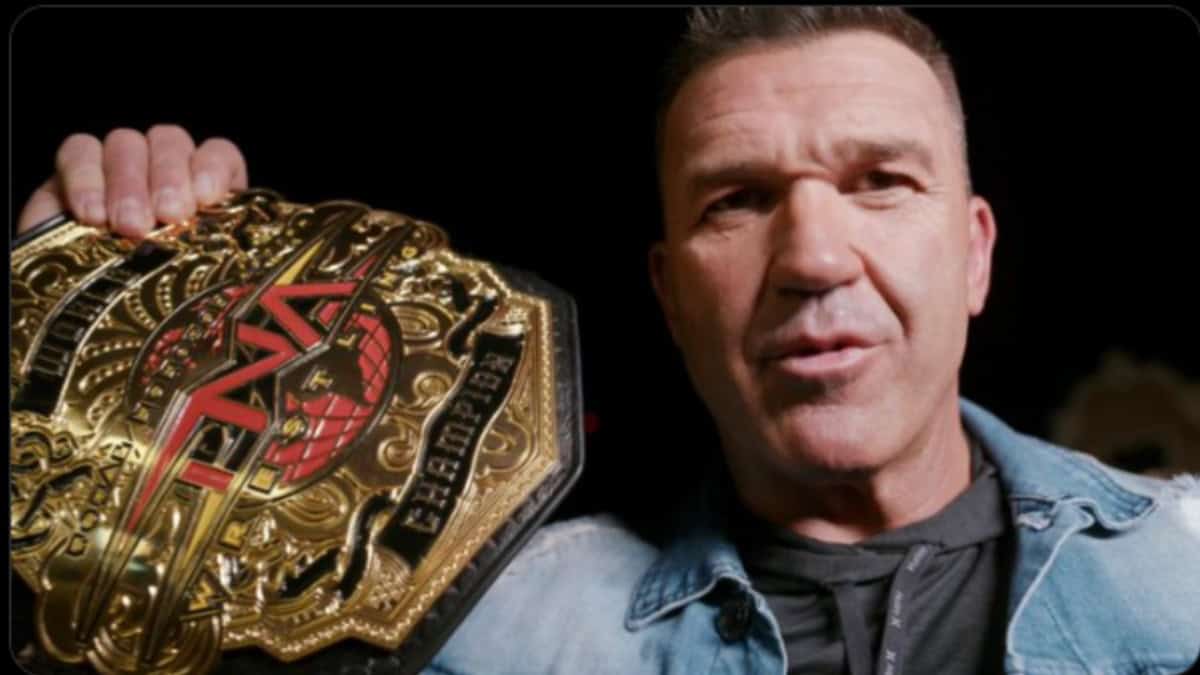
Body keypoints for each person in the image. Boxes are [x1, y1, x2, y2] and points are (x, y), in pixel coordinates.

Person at [16, 7, 1200, 675]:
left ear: (976, 254)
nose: (814, 257)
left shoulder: (1187, 571)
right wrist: (64, 344)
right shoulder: (476, 635)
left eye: (881, 182)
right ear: (671, 295)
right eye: (737, 200)